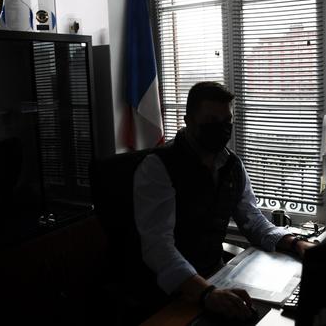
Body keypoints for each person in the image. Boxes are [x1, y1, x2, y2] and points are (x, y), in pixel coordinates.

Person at [133, 81, 314, 321]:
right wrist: (206, 293)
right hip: (170, 288)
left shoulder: (232, 165)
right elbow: (158, 247)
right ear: (188, 121)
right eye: (211, 122)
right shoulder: (158, 167)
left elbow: (252, 220)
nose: (221, 129)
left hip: (216, 275)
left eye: (227, 122)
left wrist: (296, 244)